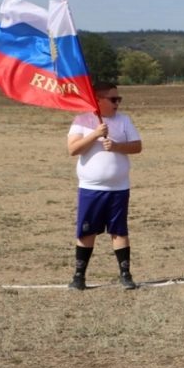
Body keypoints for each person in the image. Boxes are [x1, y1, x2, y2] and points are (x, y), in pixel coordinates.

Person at [67, 81, 143, 290]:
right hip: (91, 189)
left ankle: (125, 274)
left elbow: (137, 146)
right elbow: (72, 149)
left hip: (119, 188)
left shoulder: (124, 120)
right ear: (98, 100)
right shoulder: (82, 120)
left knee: (119, 231)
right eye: (113, 99)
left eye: (119, 99)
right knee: (86, 232)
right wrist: (94, 134)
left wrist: (117, 146)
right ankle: (79, 276)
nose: (117, 103)